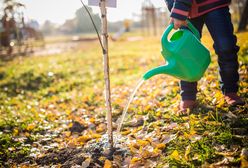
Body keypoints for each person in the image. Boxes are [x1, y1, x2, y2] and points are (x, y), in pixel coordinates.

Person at [164, 0, 245, 114]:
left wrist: (179, 10)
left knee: (226, 46)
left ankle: (230, 91)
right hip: (188, 11)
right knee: (186, 52)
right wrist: (174, 8)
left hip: (214, 3)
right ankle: (188, 96)